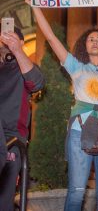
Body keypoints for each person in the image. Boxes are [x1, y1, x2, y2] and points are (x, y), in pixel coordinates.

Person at [25, 0, 98, 211]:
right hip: (79, 132)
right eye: (91, 39)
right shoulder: (76, 68)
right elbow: (51, 38)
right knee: (76, 191)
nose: (95, 42)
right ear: (84, 46)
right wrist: (34, 6)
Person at [0, 25, 45, 210]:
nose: (5, 42)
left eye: (10, 38)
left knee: (3, 199)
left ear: (21, 42)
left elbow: (36, 83)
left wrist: (17, 51)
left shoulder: (23, 67)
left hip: (11, 138)